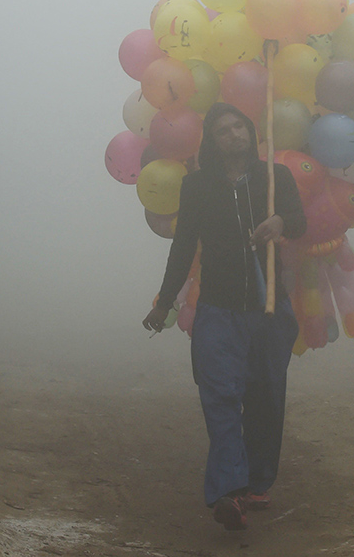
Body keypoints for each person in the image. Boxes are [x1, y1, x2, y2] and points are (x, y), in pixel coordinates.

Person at [143, 102, 306, 531]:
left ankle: (257, 481)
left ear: (251, 133)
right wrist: (164, 303)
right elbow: (183, 246)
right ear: (212, 141)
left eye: (239, 127)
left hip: (269, 309)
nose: (233, 135)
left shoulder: (276, 178)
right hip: (218, 309)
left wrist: (279, 219)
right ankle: (229, 491)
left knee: (266, 397)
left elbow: (300, 221)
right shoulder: (197, 187)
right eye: (223, 130)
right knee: (219, 396)